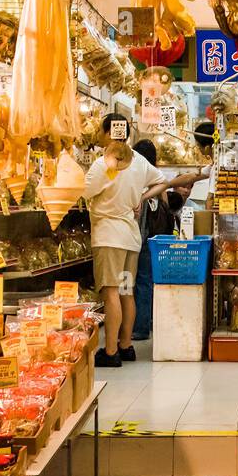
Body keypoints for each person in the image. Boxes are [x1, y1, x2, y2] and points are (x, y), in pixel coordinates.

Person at [83, 113, 166, 367]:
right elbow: (162, 181)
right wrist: (141, 196)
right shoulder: (139, 161)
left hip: (109, 237)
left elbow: (84, 191)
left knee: (110, 295)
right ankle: (126, 345)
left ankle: (110, 352)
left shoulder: (102, 164)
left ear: (109, 133)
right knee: (126, 292)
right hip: (131, 238)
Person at [131, 139, 176, 342]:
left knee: (131, 282)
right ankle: (146, 322)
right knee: (147, 282)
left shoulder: (134, 177)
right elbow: (165, 209)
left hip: (134, 237)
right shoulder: (157, 180)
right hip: (154, 239)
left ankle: (138, 327)